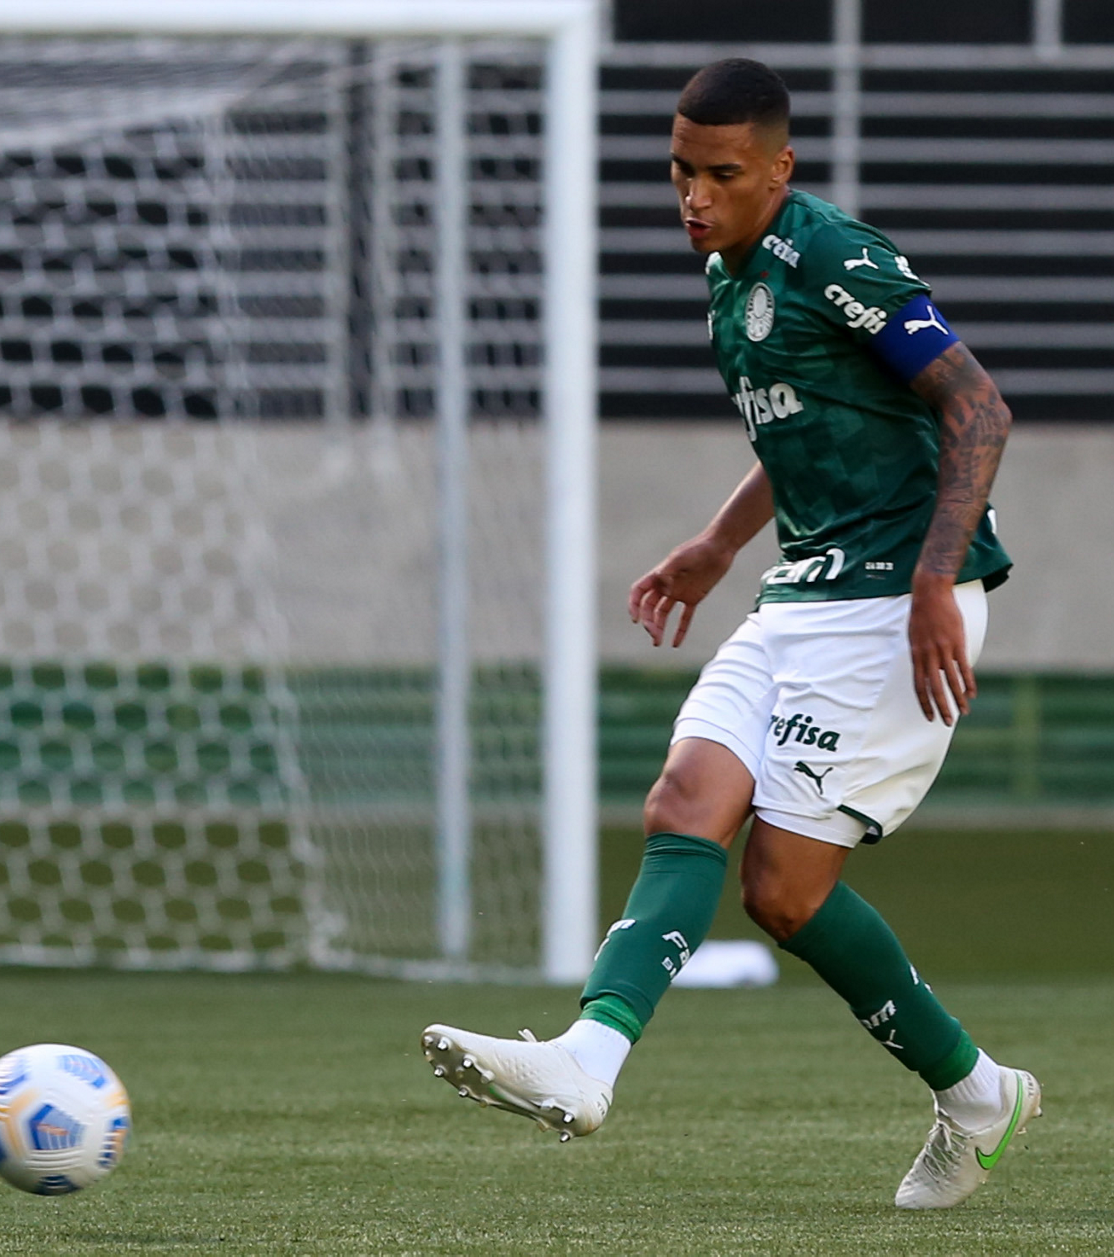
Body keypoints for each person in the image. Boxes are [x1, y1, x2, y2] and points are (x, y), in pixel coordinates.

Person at [421, 57, 1039, 1210]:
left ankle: (974, 1094)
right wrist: (715, 544)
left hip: (895, 601)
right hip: (802, 591)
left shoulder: (831, 256)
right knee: (683, 799)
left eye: (719, 174)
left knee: (782, 893)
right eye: (678, 172)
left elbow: (976, 406)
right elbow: (808, 427)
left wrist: (931, 579)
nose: (693, 197)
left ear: (777, 169)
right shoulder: (726, 274)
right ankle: (585, 1060)